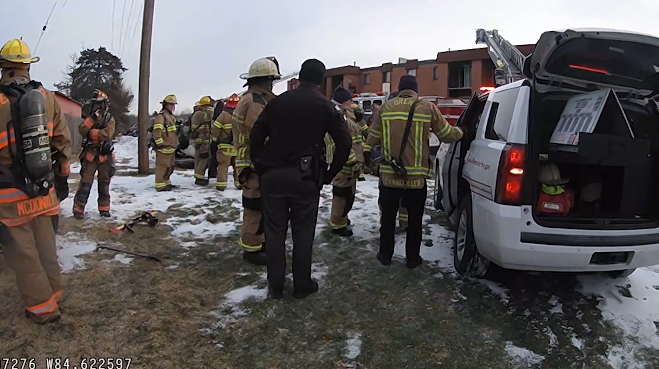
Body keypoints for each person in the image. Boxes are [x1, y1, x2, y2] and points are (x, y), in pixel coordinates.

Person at [251, 58, 352, 299]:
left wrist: (261, 166)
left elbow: (256, 135)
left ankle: (275, 286)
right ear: (320, 80)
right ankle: (301, 285)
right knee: (303, 233)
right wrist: (329, 174)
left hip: (273, 176)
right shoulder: (326, 106)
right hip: (306, 178)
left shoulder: (276, 103)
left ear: (299, 78)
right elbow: (344, 142)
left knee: (274, 233)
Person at [0, 38, 72, 324]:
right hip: (45, 191)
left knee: (24, 256)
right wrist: (62, 178)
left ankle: (42, 311)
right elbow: (63, 143)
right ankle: (54, 294)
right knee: (46, 248)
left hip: (9, 198)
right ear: (27, 66)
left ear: (4, 68)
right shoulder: (47, 97)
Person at [364, 75, 463, 268]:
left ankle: (385, 255)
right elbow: (446, 134)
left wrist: (367, 154)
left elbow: (372, 138)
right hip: (416, 180)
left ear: (400, 89)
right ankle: (412, 259)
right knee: (415, 221)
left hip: (389, 177)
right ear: (415, 90)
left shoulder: (386, 107)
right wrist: (463, 131)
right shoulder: (427, 107)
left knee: (388, 219)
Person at [232, 57, 279, 265]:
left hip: (252, 162)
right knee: (254, 207)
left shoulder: (251, 99)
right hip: (254, 164)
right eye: (271, 81)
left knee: (259, 205)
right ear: (264, 81)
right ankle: (252, 250)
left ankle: (258, 243)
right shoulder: (255, 103)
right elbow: (259, 134)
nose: (272, 86)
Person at [326, 87, 364, 237]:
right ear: (344, 101)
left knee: (348, 193)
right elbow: (341, 143)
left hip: (349, 162)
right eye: (350, 100)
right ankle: (337, 225)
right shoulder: (338, 115)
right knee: (341, 195)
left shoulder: (347, 115)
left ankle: (342, 218)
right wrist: (352, 162)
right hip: (344, 163)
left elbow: (358, 133)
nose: (353, 103)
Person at [72, 89, 116, 219]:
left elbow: (107, 134)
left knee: (104, 183)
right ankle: (78, 209)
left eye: (100, 104)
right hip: (90, 155)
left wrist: (92, 134)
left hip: (104, 156)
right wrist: (92, 119)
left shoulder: (109, 119)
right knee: (85, 183)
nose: (98, 107)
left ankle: (104, 209)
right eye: (96, 104)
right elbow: (82, 130)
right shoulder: (89, 118)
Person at [212, 94, 240, 191]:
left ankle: (221, 185)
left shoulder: (223, 115)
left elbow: (216, 128)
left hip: (224, 146)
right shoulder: (241, 115)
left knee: (223, 166)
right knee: (238, 166)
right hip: (237, 146)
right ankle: (239, 183)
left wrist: (214, 139)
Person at [153, 94, 179, 191]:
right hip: (164, 147)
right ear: (165, 105)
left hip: (171, 146)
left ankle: (166, 182)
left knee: (169, 167)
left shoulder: (170, 117)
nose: (172, 107)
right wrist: (160, 144)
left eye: (173, 105)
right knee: (162, 166)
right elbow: (157, 132)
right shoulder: (161, 117)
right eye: (170, 105)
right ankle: (160, 185)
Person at [191, 96, 214, 186]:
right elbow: (209, 118)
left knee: (200, 158)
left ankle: (198, 176)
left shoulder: (198, 113)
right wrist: (211, 109)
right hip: (202, 140)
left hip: (201, 140)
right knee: (203, 158)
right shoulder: (200, 114)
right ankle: (199, 178)